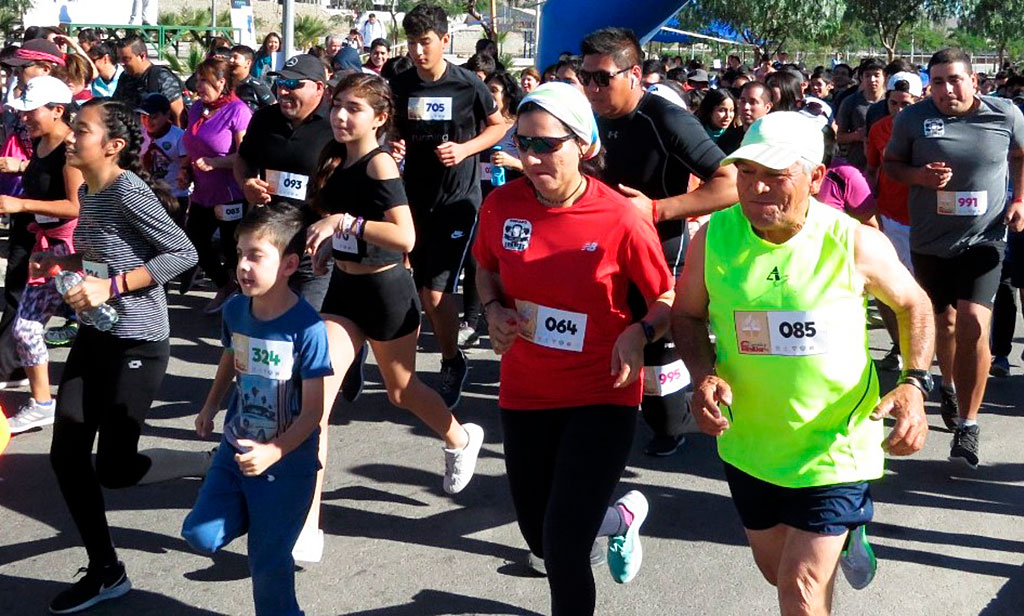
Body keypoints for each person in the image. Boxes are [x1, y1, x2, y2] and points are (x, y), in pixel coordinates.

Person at [673, 111, 934, 616]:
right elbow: (686, 316)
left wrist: (914, 384)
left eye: (776, 176)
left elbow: (913, 304)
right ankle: (843, 540)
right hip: (750, 442)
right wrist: (704, 374)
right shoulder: (715, 237)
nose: (757, 189)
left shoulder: (853, 240)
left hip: (835, 443)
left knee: (799, 584)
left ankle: (837, 533)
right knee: (781, 575)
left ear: (815, 177)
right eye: (746, 173)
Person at [474, 82, 673, 615]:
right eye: (523, 143)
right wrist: (492, 311)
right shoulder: (501, 205)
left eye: (547, 144)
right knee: (539, 536)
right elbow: (486, 269)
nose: (533, 157)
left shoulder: (621, 217)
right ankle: (618, 520)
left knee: (563, 549)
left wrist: (641, 331)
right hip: (526, 391)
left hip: (600, 393)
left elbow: (669, 298)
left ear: (584, 144)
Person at [300, 74, 485, 559]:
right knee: (316, 397)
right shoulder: (336, 157)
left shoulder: (380, 163)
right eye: (337, 105)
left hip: (386, 292)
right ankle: (306, 524)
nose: (341, 115)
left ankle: (460, 438)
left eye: (354, 108)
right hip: (343, 292)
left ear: (380, 118)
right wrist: (330, 249)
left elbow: (406, 238)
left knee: (402, 392)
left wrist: (347, 223)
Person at [33, 98, 200, 614]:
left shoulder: (129, 190)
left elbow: (183, 253)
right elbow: (106, 252)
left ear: (113, 145)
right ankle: (107, 569)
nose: (70, 137)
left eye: (80, 130)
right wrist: (64, 260)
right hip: (94, 336)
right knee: (66, 455)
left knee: (116, 468)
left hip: (138, 340)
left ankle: (208, 463)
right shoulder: (91, 191)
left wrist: (112, 285)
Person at [580, 27, 738, 457]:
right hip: (598, 256)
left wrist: (656, 210)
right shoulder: (584, 116)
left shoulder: (665, 119)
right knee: (600, 354)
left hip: (657, 257)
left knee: (664, 409)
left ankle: (684, 409)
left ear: (633, 74)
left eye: (602, 78)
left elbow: (732, 184)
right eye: (585, 76)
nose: (592, 87)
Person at [182, 203, 331, 616]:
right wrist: (209, 407)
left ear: (288, 264)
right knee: (199, 535)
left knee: (267, 565)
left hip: (287, 466)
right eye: (239, 254)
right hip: (236, 450)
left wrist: (274, 453)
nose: (242, 266)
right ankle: (260, 519)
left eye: (256, 256)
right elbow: (230, 358)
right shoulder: (234, 310)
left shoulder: (308, 328)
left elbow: (313, 412)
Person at [884, 48, 1024, 468]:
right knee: (943, 323)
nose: (946, 90)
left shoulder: (1006, 114)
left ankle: (968, 424)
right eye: (938, 82)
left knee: (973, 323)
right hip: (931, 239)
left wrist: (1020, 198)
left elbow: (1021, 155)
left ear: (974, 81)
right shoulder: (913, 118)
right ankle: (946, 383)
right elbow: (891, 165)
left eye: (955, 80)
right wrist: (919, 177)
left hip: (985, 237)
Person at [390, 3, 506, 408]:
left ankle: (451, 362)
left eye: (425, 42)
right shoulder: (401, 84)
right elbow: (394, 127)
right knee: (421, 291)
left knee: (436, 293)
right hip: (414, 198)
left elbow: (499, 126)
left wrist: (466, 149)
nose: (418, 51)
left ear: (443, 41)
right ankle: (442, 355)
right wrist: (394, 142)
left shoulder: (467, 85)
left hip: (458, 201)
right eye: (412, 43)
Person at [1, 77, 83, 434]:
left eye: (31, 112)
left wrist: (21, 204)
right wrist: (19, 169)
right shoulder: (42, 144)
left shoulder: (71, 150)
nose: (24, 119)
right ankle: (43, 403)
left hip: (73, 251)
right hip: (46, 248)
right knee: (26, 328)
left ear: (57, 111)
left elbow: (75, 206)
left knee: (104, 327)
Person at [233, 53, 335, 311]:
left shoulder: (336, 125)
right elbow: (242, 160)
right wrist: (247, 183)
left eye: (294, 85)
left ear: (319, 88)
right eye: (281, 84)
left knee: (310, 323)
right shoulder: (265, 119)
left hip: (315, 248)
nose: (284, 92)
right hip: (270, 242)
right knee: (265, 320)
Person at [182, 57, 253, 314]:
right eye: (198, 80)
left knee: (231, 248)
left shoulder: (239, 111)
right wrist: (185, 171)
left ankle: (244, 299)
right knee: (194, 242)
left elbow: (246, 154)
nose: (198, 86)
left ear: (222, 82)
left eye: (205, 80)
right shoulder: (196, 108)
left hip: (231, 193)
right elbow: (191, 145)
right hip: (202, 191)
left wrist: (217, 163)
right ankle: (224, 286)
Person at [459, 70, 524, 348]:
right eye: (486, 91)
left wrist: (513, 162)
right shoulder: (479, 126)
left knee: (509, 263)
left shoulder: (522, 126)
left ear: (507, 95)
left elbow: (538, 168)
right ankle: (470, 322)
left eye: (495, 91)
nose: (490, 96)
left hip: (515, 203)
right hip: (481, 200)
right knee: (478, 260)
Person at [866, 71, 923, 370]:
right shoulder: (877, 130)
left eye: (906, 104)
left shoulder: (929, 128)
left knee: (921, 291)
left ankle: (921, 349)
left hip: (926, 222)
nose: (900, 110)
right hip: (889, 219)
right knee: (886, 290)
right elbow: (872, 170)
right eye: (894, 103)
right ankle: (899, 347)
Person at [112, 35, 184, 126]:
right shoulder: (125, 77)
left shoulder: (161, 77)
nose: (122, 63)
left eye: (126, 59)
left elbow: (178, 113)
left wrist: (178, 139)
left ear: (142, 56)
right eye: (120, 59)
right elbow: (117, 105)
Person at [836, 57, 886, 171]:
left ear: (885, 77)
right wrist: (856, 136)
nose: (872, 79)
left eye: (877, 75)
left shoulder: (891, 102)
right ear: (861, 78)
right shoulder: (850, 102)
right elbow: (838, 137)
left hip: (885, 167)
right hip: (858, 165)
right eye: (867, 75)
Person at [695, 88, 743, 154]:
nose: (728, 116)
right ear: (710, 110)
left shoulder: (738, 136)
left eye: (731, 110)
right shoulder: (697, 132)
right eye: (722, 110)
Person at [230, 45, 276, 113]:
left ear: (248, 63)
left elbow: (274, 108)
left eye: (235, 57)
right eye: (230, 57)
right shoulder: (224, 84)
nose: (231, 60)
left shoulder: (256, 86)